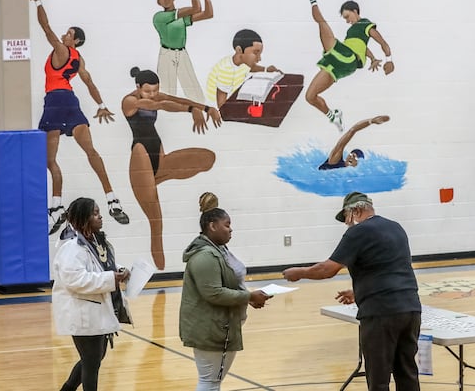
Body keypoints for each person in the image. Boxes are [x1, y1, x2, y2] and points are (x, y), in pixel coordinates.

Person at [283, 191, 421, 391]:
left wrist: (299, 273)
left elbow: (327, 270)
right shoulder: (396, 227)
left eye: (347, 218)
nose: (346, 224)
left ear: (355, 210)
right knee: (406, 372)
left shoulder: (358, 232)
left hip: (381, 313)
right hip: (410, 309)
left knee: (378, 378)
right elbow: (390, 268)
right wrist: (359, 292)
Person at [28, 0, 130, 235]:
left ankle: (56, 207)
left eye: (69, 33)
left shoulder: (62, 51)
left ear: (74, 40)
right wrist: (101, 104)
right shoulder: (78, 60)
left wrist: (38, 0)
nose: (64, 35)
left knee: (50, 160)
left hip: (55, 101)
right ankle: (112, 198)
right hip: (72, 103)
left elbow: (45, 27)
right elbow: (89, 81)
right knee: (91, 152)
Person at [122, 67, 221, 270]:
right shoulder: (130, 101)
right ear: (138, 87)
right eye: (148, 91)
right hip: (140, 156)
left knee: (206, 159)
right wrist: (189, 111)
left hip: (158, 155)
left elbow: (179, 100)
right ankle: (160, 271)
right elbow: (160, 104)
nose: (152, 94)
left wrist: (204, 108)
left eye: (155, 90)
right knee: (156, 221)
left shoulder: (153, 95)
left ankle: (155, 179)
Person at [180, 204, 271, 391]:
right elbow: (213, 293)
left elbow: (229, 283)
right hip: (211, 328)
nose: (231, 229)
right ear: (212, 226)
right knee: (210, 382)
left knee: (212, 381)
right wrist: (248, 296)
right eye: (227, 225)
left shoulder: (219, 250)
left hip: (219, 325)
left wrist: (248, 297)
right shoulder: (205, 255)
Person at [51, 197, 131, 391]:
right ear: (83, 219)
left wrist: (119, 271)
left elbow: (101, 265)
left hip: (97, 310)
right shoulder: (71, 247)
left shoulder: (95, 241)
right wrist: (111, 278)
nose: (100, 216)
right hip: (82, 313)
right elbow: (75, 280)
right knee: (92, 362)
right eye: (95, 214)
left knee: (93, 358)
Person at [302, 0, 394, 132]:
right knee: (310, 97)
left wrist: (389, 60)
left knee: (322, 23)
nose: (347, 20)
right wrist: (372, 58)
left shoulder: (365, 24)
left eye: (347, 16)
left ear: (355, 11)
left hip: (347, 57)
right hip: (340, 64)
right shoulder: (352, 32)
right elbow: (362, 46)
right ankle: (333, 116)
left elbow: (382, 42)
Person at [153, 0, 213, 102]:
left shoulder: (181, 17)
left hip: (182, 54)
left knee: (195, 92)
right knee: (167, 93)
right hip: (166, 55)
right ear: (158, 2)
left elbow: (208, 14)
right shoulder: (159, 17)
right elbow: (196, 8)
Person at [205, 29, 280, 108]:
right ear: (239, 50)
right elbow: (222, 107)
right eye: (255, 53)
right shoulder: (226, 70)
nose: (259, 59)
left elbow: (251, 67)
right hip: (219, 105)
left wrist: (266, 69)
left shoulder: (242, 61)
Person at [319, 115, 390, 170]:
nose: (351, 157)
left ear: (358, 163)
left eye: (354, 157)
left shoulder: (356, 175)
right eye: (350, 155)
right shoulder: (335, 162)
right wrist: (371, 121)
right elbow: (352, 130)